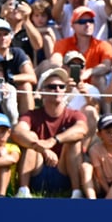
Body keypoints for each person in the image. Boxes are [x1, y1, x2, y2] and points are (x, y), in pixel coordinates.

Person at [11, 67, 93, 199]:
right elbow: (17, 132)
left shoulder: (74, 114)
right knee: (31, 138)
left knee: (74, 141)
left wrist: (53, 140)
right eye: (52, 87)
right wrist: (41, 148)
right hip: (37, 171)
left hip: (64, 171)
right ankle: (23, 191)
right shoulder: (32, 115)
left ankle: (76, 192)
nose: (57, 90)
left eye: (61, 86)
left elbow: (82, 129)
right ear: (42, 92)